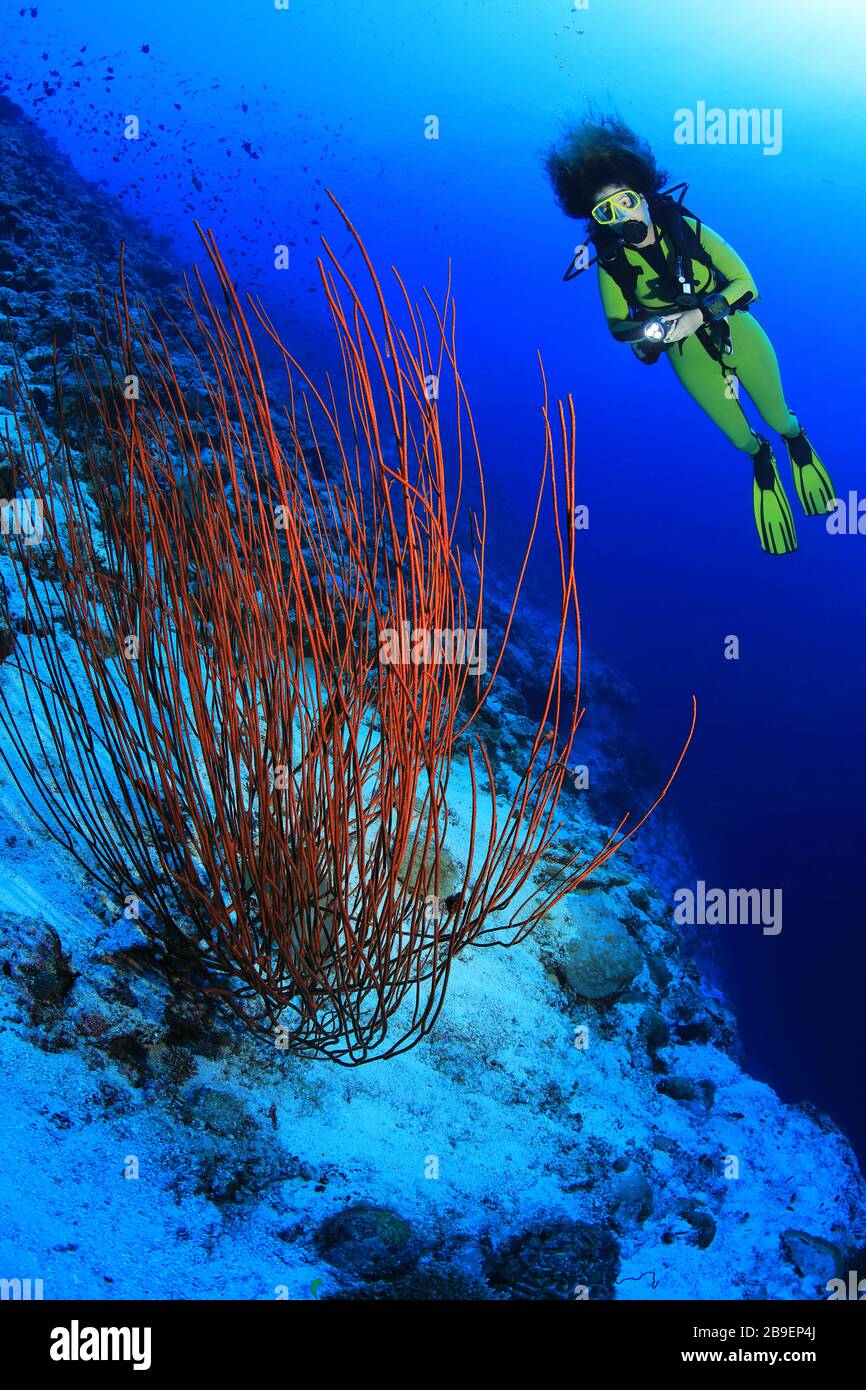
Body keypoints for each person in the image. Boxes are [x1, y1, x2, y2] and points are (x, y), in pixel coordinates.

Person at [546, 113, 834, 555]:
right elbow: (617, 327)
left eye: (624, 201)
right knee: (739, 438)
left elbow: (747, 285)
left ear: (642, 194)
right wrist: (652, 331)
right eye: (605, 212)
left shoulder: (688, 229)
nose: (620, 216)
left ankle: (794, 439)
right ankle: (762, 460)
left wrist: (700, 315)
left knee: (777, 417)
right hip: (685, 355)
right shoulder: (611, 264)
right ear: (598, 222)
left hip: (738, 331)